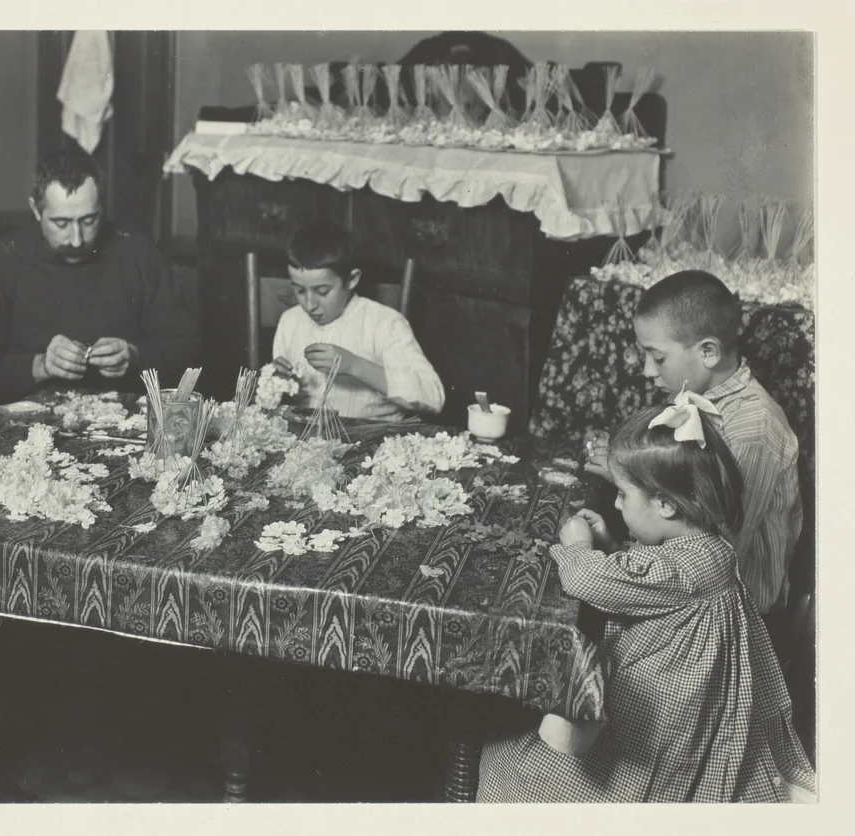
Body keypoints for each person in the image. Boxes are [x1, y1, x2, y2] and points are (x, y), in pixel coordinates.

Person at [480, 402, 816, 802]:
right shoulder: (709, 547)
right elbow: (653, 574)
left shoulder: (681, 571)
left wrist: (580, 547)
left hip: (662, 718)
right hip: (691, 700)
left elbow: (585, 579)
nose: (617, 504)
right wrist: (613, 545)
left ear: (667, 505)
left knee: (506, 762)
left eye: (622, 494)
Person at [585, 270, 802, 614]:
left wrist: (630, 482)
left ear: (709, 352)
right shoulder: (692, 397)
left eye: (658, 358)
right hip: (684, 579)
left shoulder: (753, 428)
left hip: (733, 613)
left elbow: (719, 546)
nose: (647, 371)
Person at [0, 148, 199, 408]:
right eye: (61, 223)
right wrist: (39, 366)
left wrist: (135, 356)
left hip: (121, 418)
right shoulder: (0, 262)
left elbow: (187, 350)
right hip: (28, 429)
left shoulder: (138, 253)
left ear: (102, 207)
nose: (77, 240)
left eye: (89, 220)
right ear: (35, 210)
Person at [270, 219, 445, 422]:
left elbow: (433, 397)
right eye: (300, 290)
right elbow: (279, 403)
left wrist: (355, 366)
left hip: (372, 440)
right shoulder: (290, 321)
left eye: (322, 291)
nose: (310, 305)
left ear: (352, 279)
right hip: (305, 441)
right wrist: (277, 382)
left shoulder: (385, 324)